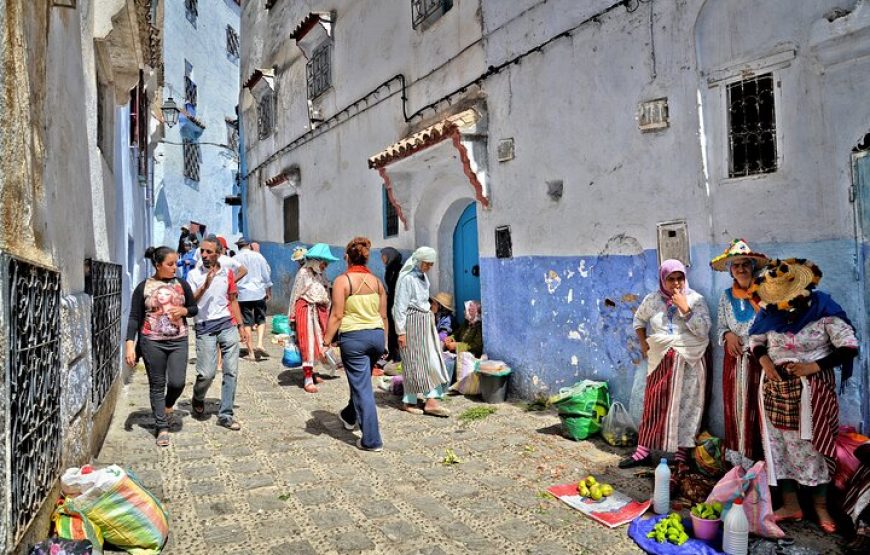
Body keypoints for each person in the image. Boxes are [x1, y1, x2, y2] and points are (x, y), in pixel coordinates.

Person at [748, 258, 858, 532]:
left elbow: (848, 346)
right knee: (779, 448)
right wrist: (765, 362)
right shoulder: (769, 312)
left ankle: (821, 507)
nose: (786, 304)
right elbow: (756, 341)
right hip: (775, 390)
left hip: (812, 393)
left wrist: (812, 366)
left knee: (814, 448)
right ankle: (791, 504)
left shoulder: (824, 310)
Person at [619, 259, 711, 469]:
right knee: (654, 403)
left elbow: (704, 330)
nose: (676, 283)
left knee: (687, 406)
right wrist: (644, 344)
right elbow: (638, 320)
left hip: (690, 361)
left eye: (680, 278)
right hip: (661, 360)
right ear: (663, 280)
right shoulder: (652, 300)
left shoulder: (696, 300)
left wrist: (685, 309)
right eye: (671, 279)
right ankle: (642, 451)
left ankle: (681, 457)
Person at [125, 246, 198, 447]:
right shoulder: (144, 287)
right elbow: (134, 317)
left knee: (177, 383)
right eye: (170, 264)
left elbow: (193, 308)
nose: (175, 267)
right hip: (151, 342)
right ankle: (161, 426)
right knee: (157, 385)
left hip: (178, 340)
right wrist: (130, 345)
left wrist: (183, 310)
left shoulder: (182, 285)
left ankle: (167, 405)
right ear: (158, 265)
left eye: (175, 263)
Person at [323, 237, 388, 452]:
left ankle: (372, 440)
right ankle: (349, 415)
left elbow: (337, 314)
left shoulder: (343, 281)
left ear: (347, 257)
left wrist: (326, 340)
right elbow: (384, 316)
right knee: (360, 382)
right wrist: (385, 342)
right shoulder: (377, 282)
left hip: (355, 338)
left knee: (363, 388)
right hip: (377, 337)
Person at [710, 239, 769, 462]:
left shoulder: (764, 293)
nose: (741, 269)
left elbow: (772, 325)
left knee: (759, 408)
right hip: (733, 362)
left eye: (745, 264)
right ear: (731, 271)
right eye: (736, 265)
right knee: (734, 408)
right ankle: (738, 461)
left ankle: (761, 462)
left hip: (759, 360)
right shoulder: (726, 296)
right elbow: (721, 325)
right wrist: (727, 335)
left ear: (753, 266)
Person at [186, 236, 250, 430]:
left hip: (226, 323)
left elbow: (232, 301)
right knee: (206, 373)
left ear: (219, 253)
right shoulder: (193, 275)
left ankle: (226, 414)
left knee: (231, 370)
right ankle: (198, 397)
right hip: (204, 327)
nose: (204, 255)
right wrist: (206, 284)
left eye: (208, 252)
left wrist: (241, 326)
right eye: (202, 251)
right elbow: (190, 303)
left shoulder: (227, 274)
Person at [393, 247, 451, 417]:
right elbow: (400, 307)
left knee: (433, 360)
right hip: (412, 323)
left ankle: (431, 400)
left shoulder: (423, 277)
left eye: (431, 264)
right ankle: (409, 400)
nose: (428, 267)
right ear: (418, 261)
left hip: (426, 323)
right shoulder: (407, 279)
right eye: (426, 263)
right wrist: (401, 331)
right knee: (414, 362)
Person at [289, 243, 337, 393]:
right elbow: (295, 294)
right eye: (324, 263)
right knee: (308, 342)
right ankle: (307, 378)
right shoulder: (303, 273)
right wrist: (291, 315)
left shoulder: (320, 274)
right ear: (316, 260)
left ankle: (313, 372)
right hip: (306, 310)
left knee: (318, 342)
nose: (325, 266)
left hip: (319, 310)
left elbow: (323, 290)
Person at [234, 237, 273, 360]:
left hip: (243, 294)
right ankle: (260, 343)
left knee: (246, 322)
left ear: (238, 246)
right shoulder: (258, 256)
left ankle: (251, 352)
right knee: (261, 318)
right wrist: (268, 289)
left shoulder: (235, 259)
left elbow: (231, 276)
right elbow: (266, 274)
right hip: (258, 292)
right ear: (249, 245)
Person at [380, 247, 404, 361]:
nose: (382, 258)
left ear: (390, 256)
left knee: (396, 327)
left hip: (398, 301)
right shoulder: (389, 269)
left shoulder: (398, 269)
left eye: (384, 256)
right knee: (390, 327)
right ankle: (392, 353)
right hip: (391, 301)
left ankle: (398, 355)